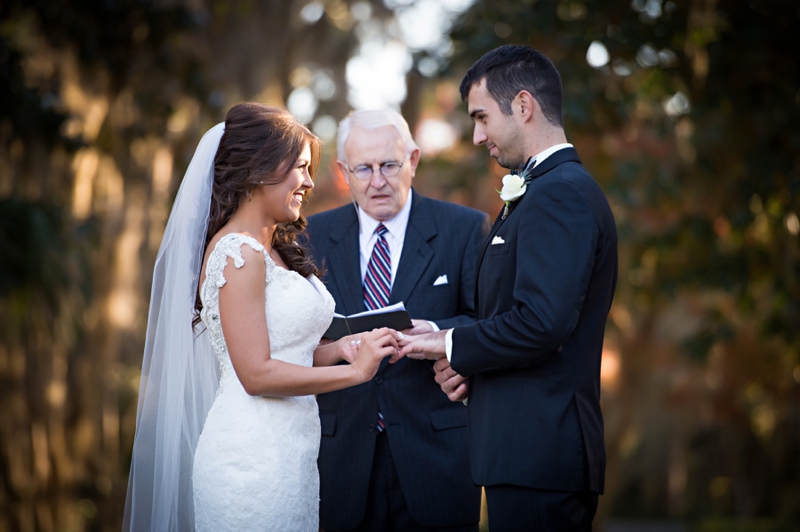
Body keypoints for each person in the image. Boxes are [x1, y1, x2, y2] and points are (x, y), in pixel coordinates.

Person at [123, 103, 402, 532]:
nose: (309, 182)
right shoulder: (238, 253)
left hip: (292, 454)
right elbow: (255, 374)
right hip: (250, 460)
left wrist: (342, 350)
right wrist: (355, 374)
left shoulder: (274, 248)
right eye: (301, 168)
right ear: (259, 169)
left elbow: (287, 352)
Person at [399, 45, 619, 531]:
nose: (477, 137)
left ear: (523, 106)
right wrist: (469, 368)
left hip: (541, 456)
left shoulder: (560, 194)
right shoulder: (539, 190)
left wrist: (451, 342)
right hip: (521, 456)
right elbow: (522, 317)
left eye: (482, 117)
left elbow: (543, 322)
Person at [305, 108, 488, 531]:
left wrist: (441, 334)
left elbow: (489, 324)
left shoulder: (465, 229)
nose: (377, 180)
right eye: (363, 169)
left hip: (437, 455)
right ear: (342, 171)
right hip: (339, 455)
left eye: (389, 164)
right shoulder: (308, 238)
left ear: (414, 160)